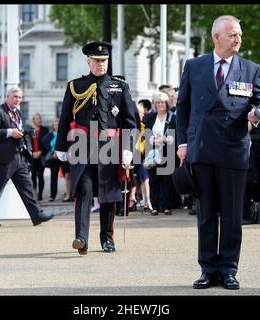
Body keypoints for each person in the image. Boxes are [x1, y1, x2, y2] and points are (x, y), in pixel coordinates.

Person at [176, 15, 260, 290]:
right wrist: (183, 142)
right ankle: (207, 268)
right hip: (201, 149)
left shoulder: (251, 69)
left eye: (239, 34)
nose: (238, 39)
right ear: (217, 37)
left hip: (233, 149)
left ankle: (228, 269)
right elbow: (182, 107)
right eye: (232, 34)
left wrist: (258, 113)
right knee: (206, 214)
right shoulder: (194, 66)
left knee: (230, 215)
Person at [55, 41, 137, 255]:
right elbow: (65, 117)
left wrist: (128, 148)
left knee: (108, 195)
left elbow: (130, 122)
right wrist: (61, 146)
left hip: (110, 146)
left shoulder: (120, 86)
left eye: (104, 60)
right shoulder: (76, 86)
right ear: (88, 62)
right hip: (82, 146)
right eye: (97, 60)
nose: (101, 64)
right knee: (84, 190)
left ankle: (107, 238)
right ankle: (81, 238)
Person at [0, 87, 55, 227]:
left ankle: (37, 215)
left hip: (19, 157)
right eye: (15, 96)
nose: (17, 99)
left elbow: (19, 130)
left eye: (20, 97)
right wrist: (10, 132)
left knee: (27, 187)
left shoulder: (18, 112)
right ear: (7, 97)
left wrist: (27, 132)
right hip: (3, 158)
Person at [144, 91, 176, 215]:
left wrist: (166, 140)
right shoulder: (150, 117)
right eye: (158, 102)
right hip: (153, 153)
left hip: (168, 152)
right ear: (155, 104)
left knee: (167, 181)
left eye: (163, 102)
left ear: (167, 104)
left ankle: (167, 206)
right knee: (154, 181)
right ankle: (155, 207)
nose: (160, 105)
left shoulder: (172, 117)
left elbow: (177, 134)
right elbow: (146, 134)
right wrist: (154, 140)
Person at [30, 113, 49, 201]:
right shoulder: (31, 130)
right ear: (34, 121)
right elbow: (28, 143)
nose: (39, 120)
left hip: (41, 155)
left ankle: (40, 194)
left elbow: (47, 144)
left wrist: (40, 152)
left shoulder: (45, 130)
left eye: (40, 118)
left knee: (40, 175)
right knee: (33, 175)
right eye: (37, 119)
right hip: (32, 156)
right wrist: (32, 153)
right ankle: (34, 193)